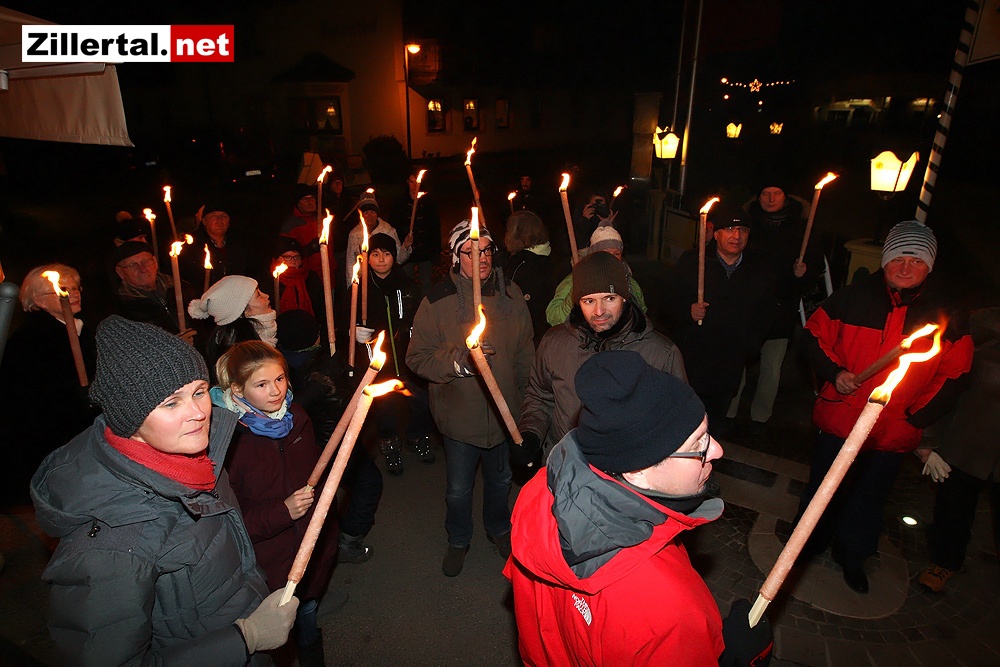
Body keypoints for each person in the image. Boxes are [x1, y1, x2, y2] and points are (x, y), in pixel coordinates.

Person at [30, 316, 297, 665]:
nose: (198, 413)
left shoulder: (202, 461)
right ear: (129, 417)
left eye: (199, 392)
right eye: (171, 403)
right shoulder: (113, 546)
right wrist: (243, 639)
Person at [504, 350, 773, 666]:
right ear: (637, 471)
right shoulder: (671, 610)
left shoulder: (540, 491)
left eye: (707, 433)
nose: (716, 450)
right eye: (697, 445)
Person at [797, 220, 974, 593]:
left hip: (892, 431)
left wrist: (914, 417)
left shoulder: (948, 315)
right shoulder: (851, 297)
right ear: (885, 260)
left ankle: (853, 555)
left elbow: (955, 374)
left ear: (929, 266)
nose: (906, 268)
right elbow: (813, 335)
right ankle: (806, 545)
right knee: (822, 489)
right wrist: (835, 373)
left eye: (916, 260)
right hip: (841, 417)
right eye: (898, 259)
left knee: (868, 498)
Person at [407, 219, 534, 576]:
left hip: (505, 415)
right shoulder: (437, 301)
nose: (482, 258)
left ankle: (499, 528)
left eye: (487, 250)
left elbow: (525, 350)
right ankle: (458, 538)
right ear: (455, 256)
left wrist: (528, 401)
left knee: (501, 481)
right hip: (460, 417)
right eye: (471, 252)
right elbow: (417, 358)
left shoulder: (511, 294)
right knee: (459, 490)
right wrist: (459, 363)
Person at [214, 341, 340, 666]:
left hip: (307, 549)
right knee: (273, 643)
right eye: (261, 384)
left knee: (307, 617)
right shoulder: (226, 442)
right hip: (265, 563)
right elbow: (226, 525)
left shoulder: (297, 417)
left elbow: (314, 473)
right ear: (237, 389)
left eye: (280, 379)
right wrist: (282, 512)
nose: (276, 391)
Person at [518, 252, 686, 463]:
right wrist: (531, 433)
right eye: (589, 301)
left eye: (609, 298)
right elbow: (540, 397)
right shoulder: (555, 342)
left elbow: (678, 420)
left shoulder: (661, 353)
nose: (599, 311)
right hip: (566, 466)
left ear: (624, 297)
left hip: (629, 472)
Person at [275, 309, 383, 565]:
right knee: (367, 483)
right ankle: (347, 540)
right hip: (331, 442)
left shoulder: (277, 361)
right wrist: (344, 378)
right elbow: (343, 402)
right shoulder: (319, 368)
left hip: (308, 444)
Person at [667, 205, 776, 435]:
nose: (736, 236)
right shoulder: (693, 262)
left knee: (714, 426)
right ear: (716, 234)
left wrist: (748, 346)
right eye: (729, 229)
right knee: (684, 424)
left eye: (742, 230)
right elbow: (667, 305)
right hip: (693, 361)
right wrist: (688, 312)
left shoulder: (758, 270)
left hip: (728, 365)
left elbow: (765, 314)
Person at [917, 307, 1000, 593]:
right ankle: (944, 561)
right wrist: (927, 440)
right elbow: (944, 386)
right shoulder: (983, 334)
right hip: (966, 445)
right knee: (954, 509)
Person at [730, 181, 824, 434]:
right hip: (748, 305)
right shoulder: (746, 224)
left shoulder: (801, 226)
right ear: (758, 196)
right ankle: (728, 410)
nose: (771, 199)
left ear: (785, 196)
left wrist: (804, 272)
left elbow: (814, 265)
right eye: (765, 193)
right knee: (737, 360)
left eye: (776, 193)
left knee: (771, 366)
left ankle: (760, 417)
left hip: (781, 307)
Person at [0, 264, 97, 501]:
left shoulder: (86, 331)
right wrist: (77, 397)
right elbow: (26, 397)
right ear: (39, 301)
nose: (73, 293)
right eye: (63, 289)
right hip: (54, 442)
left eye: (76, 288)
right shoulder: (29, 341)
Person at [353, 233, 433, 476]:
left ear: (394, 256)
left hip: (408, 358)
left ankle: (417, 437)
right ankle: (390, 444)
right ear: (367, 258)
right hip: (379, 363)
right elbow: (344, 319)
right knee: (385, 409)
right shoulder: (359, 288)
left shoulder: (407, 285)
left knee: (421, 402)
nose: (381, 259)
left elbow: (421, 316)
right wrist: (353, 332)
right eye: (375, 254)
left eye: (386, 254)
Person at [545, 224, 647, 326]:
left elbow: (641, 314)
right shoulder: (573, 281)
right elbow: (554, 318)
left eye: (616, 254)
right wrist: (575, 291)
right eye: (605, 253)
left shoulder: (630, 282)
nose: (611, 258)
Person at [113, 240, 198, 343]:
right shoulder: (121, 309)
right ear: (120, 272)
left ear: (155, 262)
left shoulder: (182, 288)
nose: (142, 269)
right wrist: (172, 345)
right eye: (133, 265)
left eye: (146, 261)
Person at [188, 275, 277, 374]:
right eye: (258, 295)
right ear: (243, 312)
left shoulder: (267, 335)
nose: (266, 296)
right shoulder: (240, 354)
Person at [504, 210, 556, 344]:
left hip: (529, 332)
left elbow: (509, 296)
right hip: (547, 331)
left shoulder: (522, 263)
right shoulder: (552, 255)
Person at [389, 169, 442, 294]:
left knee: (426, 283)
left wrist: (436, 251)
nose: (414, 186)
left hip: (425, 251)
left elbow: (435, 227)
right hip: (407, 252)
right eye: (411, 182)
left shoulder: (429, 202)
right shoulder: (399, 203)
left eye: (416, 182)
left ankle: (425, 304)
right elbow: (393, 227)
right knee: (406, 283)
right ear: (407, 182)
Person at [181, 200, 250, 288]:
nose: (219, 220)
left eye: (224, 216)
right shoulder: (191, 248)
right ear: (204, 221)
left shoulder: (239, 246)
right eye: (214, 216)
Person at [345, 194, 410, 285]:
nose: (370, 216)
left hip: (385, 278)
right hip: (364, 281)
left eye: (372, 212)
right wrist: (351, 285)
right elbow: (350, 262)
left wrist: (406, 246)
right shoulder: (354, 234)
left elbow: (399, 258)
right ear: (361, 215)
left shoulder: (388, 231)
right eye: (366, 212)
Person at [279, 185, 324, 275]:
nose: (310, 202)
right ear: (298, 203)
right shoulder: (291, 225)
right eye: (305, 199)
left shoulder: (322, 219)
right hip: (307, 275)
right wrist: (309, 248)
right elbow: (286, 255)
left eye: (312, 198)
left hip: (327, 271)